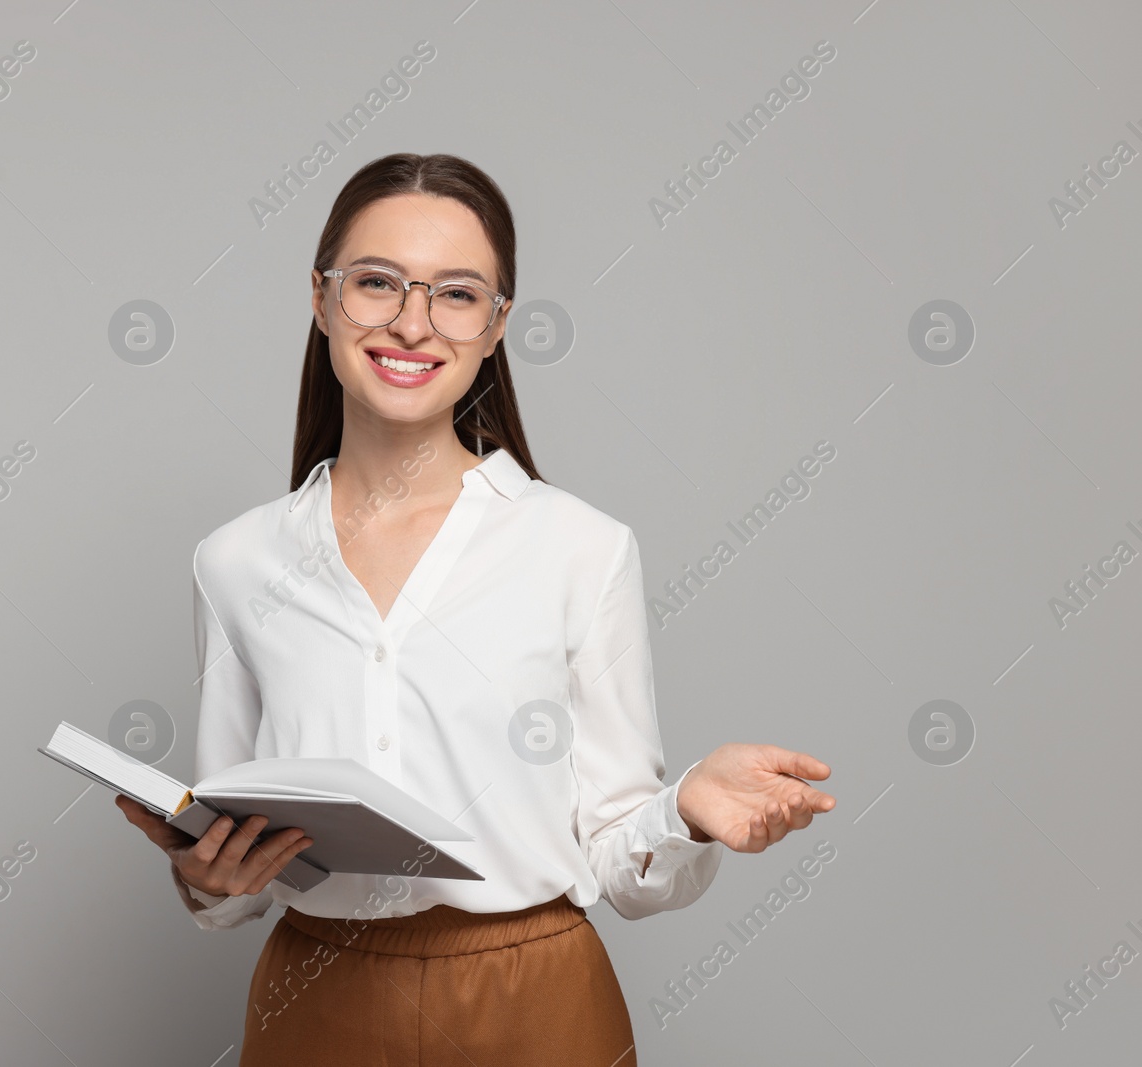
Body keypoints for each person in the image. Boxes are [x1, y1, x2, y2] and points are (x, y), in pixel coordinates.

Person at [117, 152, 835, 1066]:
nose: (411, 324)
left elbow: (621, 857)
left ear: (496, 326)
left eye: (456, 294)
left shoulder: (580, 547)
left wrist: (683, 809)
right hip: (316, 1001)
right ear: (321, 298)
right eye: (376, 283)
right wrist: (203, 876)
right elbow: (237, 857)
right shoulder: (235, 562)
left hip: (533, 1003)